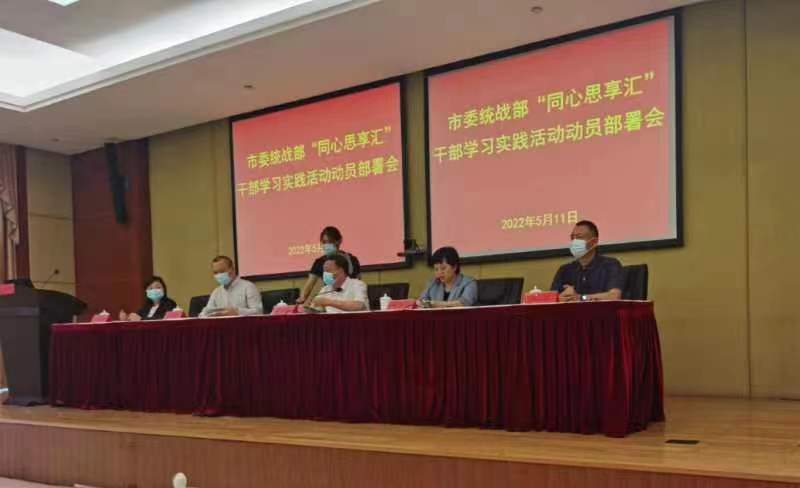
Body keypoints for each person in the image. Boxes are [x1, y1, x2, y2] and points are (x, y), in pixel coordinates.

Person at [550, 220, 624, 302]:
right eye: (572, 238)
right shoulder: (564, 270)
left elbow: (614, 296)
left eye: (579, 237)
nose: (574, 241)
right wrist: (559, 299)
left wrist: (581, 298)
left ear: (594, 242)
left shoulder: (610, 265)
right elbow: (551, 299)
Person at [297, 226, 361, 304]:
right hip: (331, 301)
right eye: (324, 242)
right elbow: (309, 286)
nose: (327, 245)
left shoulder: (352, 260)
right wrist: (302, 299)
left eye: (330, 242)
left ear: (339, 241)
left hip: (350, 299)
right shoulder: (319, 262)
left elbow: (358, 282)